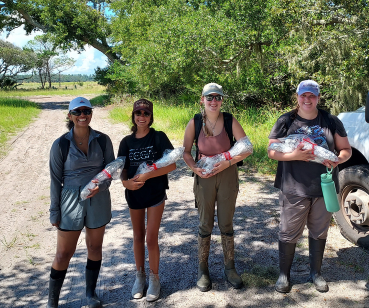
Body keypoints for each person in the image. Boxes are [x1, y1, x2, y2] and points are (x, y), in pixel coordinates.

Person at [267, 80, 352, 294]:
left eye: (311, 96)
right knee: (288, 232)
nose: (307, 100)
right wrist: (294, 155)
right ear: (297, 97)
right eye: (303, 95)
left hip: (323, 186)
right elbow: (272, 150)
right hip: (294, 186)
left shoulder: (331, 121)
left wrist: (337, 160)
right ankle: (284, 274)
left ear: (318, 98)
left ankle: (316, 273)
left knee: (319, 230)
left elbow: (346, 150)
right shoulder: (286, 120)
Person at [182, 83, 253, 292]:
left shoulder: (230, 120)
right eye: (209, 97)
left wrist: (227, 162)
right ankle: (202, 269)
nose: (214, 102)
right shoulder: (194, 122)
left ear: (222, 100)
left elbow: (247, 147)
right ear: (202, 99)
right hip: (204, 175)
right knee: (205, 223)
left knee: (226, 222)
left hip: (228, 174)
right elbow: (185, 151)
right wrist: (194, 168)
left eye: (218, 98)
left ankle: (229, 267)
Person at [46, 97, 115, 308]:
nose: (82, 115)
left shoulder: (103, 140)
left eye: (86, 111)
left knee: (95, 247)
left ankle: (90, 293)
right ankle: (52, 302)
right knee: (64, 253)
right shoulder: (60, 145)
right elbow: (55, 180)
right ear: (70, 116)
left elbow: (110, 171)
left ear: (91, 114)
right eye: (77, 112)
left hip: (98, 199)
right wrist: (54, 211)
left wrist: (101, 186)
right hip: (70, 201)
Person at [118, 99, 176, 302]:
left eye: (146, 113)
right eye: (138, 113)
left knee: (151, 238)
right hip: (134, 195)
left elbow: (171, 166)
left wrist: (147, 176)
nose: (141, 117)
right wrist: (126, 183)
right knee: (137, 236)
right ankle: (139, 276)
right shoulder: (126, 142)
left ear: (151, 117)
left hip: (155, 194)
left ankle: (154, 278)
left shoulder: (158, 137)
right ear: (133, 117)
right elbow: (122, 170)